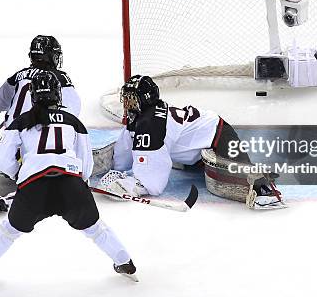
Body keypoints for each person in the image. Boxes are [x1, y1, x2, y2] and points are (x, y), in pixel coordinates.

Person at [0, 71, 136, 288]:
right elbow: (86, 163)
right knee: (97, 229)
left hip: (33, 188)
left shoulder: (21, 121)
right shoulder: (73, 121)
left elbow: (2, 161)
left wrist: (20, 175)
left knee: (8, 230)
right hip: (70, 184)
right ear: (57, 94)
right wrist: (80, 182)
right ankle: (125, 263)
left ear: (33, 96)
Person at [100, 75, 284, 210]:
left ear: (145, 100)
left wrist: (134, 186)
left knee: (228, 176)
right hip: (196, 143)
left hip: (216, 134)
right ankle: (192, 162)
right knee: (194, 165)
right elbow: (123, 157)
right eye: (126, 99)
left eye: (132, 101)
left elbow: (153, 184)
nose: (127, 105)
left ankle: (266, 191)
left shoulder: (151, 124)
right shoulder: (140, 118)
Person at [0, 35, 81, 128]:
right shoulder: (61, 78)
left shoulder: (17, 76)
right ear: (51, 56)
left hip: (12, 134)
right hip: (42, 134)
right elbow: (73, 110)